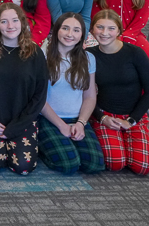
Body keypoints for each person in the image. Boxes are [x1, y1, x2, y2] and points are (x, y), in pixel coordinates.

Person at [0, 4, 48, 175]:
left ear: (22, 22)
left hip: (22, 121)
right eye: (4, 21)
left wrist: (17, 126)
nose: (10, 26)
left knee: (23, 167)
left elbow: (40, 95)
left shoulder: (35, 52)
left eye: (15, 20)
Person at [90, 10, 149, 175]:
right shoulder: (89, 55)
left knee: (143, 166)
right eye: (100, 27)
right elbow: (85, 94)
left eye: (111, 28)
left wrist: (132, 120)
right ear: (92, 29)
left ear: (119, 30)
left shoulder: (135, 53)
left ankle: (128, 141)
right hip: (106, 115)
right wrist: (101, 117)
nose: (104, 33)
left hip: (133, 115)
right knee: (115, 163)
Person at [37, 14, 105, 175]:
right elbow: (38, 99)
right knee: (69, 164)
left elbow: (89, 96)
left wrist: (81, 123)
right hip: (48, 118)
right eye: (65, 28)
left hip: (77, 118)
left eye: (76, 30)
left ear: (82, 35)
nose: (70, 34)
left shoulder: (88, 58)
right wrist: (61, 126)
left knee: (94, 164)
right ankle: (40, 147)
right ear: (56, 31)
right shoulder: (42, 56)